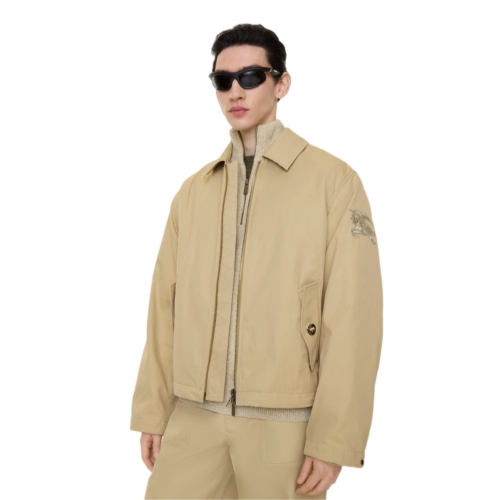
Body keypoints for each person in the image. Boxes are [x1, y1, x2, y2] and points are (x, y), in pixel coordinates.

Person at [130, 23, 383, 499]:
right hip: (194, 417)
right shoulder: (194, 192)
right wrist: (153, 411)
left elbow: (354, 316)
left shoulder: (333, 182)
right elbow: (165, 310)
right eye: (222, 80)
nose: (235, 91)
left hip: (285, 423)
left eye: (250, 76)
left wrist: (334, 438)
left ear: (280, 83)